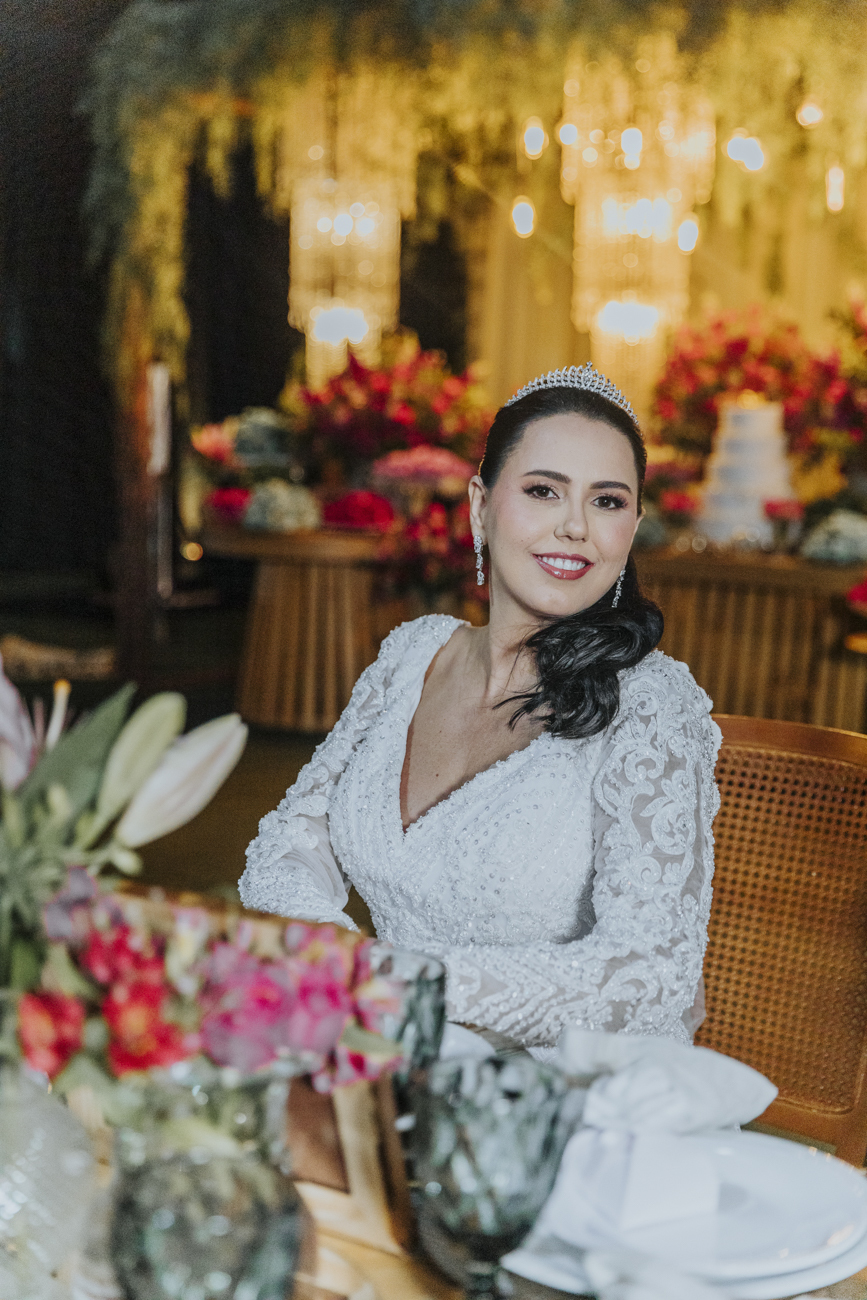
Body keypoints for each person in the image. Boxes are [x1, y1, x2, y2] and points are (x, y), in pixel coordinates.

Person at [240, 365, 722, 1054]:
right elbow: (285, 852)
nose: (575, 527)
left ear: (633, 527)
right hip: (384, 1054)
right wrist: (347, 977)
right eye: (543, 490)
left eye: (607, 501)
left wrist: (408, 987)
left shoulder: (651, 705)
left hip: (554, 1088)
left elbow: (646, 977)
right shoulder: (413, 655)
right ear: (479, 506)